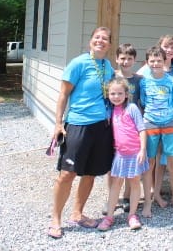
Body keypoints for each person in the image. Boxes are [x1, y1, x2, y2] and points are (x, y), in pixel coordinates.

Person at [47, 27, 115, 239]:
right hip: (78, 124)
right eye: (97, 37)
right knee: (67, 174)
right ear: (90, 41)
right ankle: (55, 219)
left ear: (109, 44)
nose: (101, 41)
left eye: (105, 39)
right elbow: (63, 94)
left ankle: (77, 213)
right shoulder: (78, 63)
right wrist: (58, 123)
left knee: (91, 173)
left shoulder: (108, 67)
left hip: (101, 127)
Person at [137, 35, 173, 208]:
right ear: (148, 62)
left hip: (169, 125)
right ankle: (148, 199)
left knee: (171, 162)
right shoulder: (144, 80)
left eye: (159, 61)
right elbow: (142, 103)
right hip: (150, 124)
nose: (156, 63)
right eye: (152, 61)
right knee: (150, 162)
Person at [97, 77, 148, 231]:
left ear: (126, 94)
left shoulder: (132, 108)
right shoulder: (110, 110)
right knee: (116, 184)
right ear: (108, 95)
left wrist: (143, 150)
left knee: (134, 183)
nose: (116, 96)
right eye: (112, 93)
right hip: (120, 154)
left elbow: (142, 129)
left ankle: (132, 215)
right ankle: (109, 217)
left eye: (120, 93)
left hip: (135, 154)